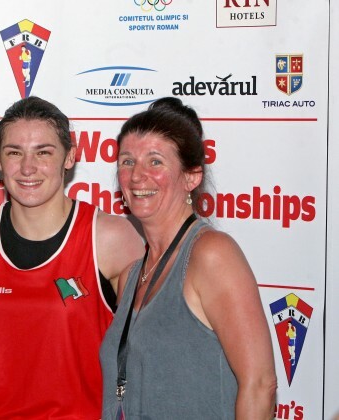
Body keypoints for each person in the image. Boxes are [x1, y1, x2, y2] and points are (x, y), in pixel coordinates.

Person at [0, 96, 144, 419]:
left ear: (69, 156)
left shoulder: (108, 237)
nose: (28, 168)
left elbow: (147, 348)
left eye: (43, 152)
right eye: (14, 152)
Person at [100, 97, 277, 419]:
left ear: (192, 177)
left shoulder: (211, 254)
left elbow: (260, 384)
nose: (137, 176)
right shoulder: (132, 275)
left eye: (155, 162)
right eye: (127, 161)